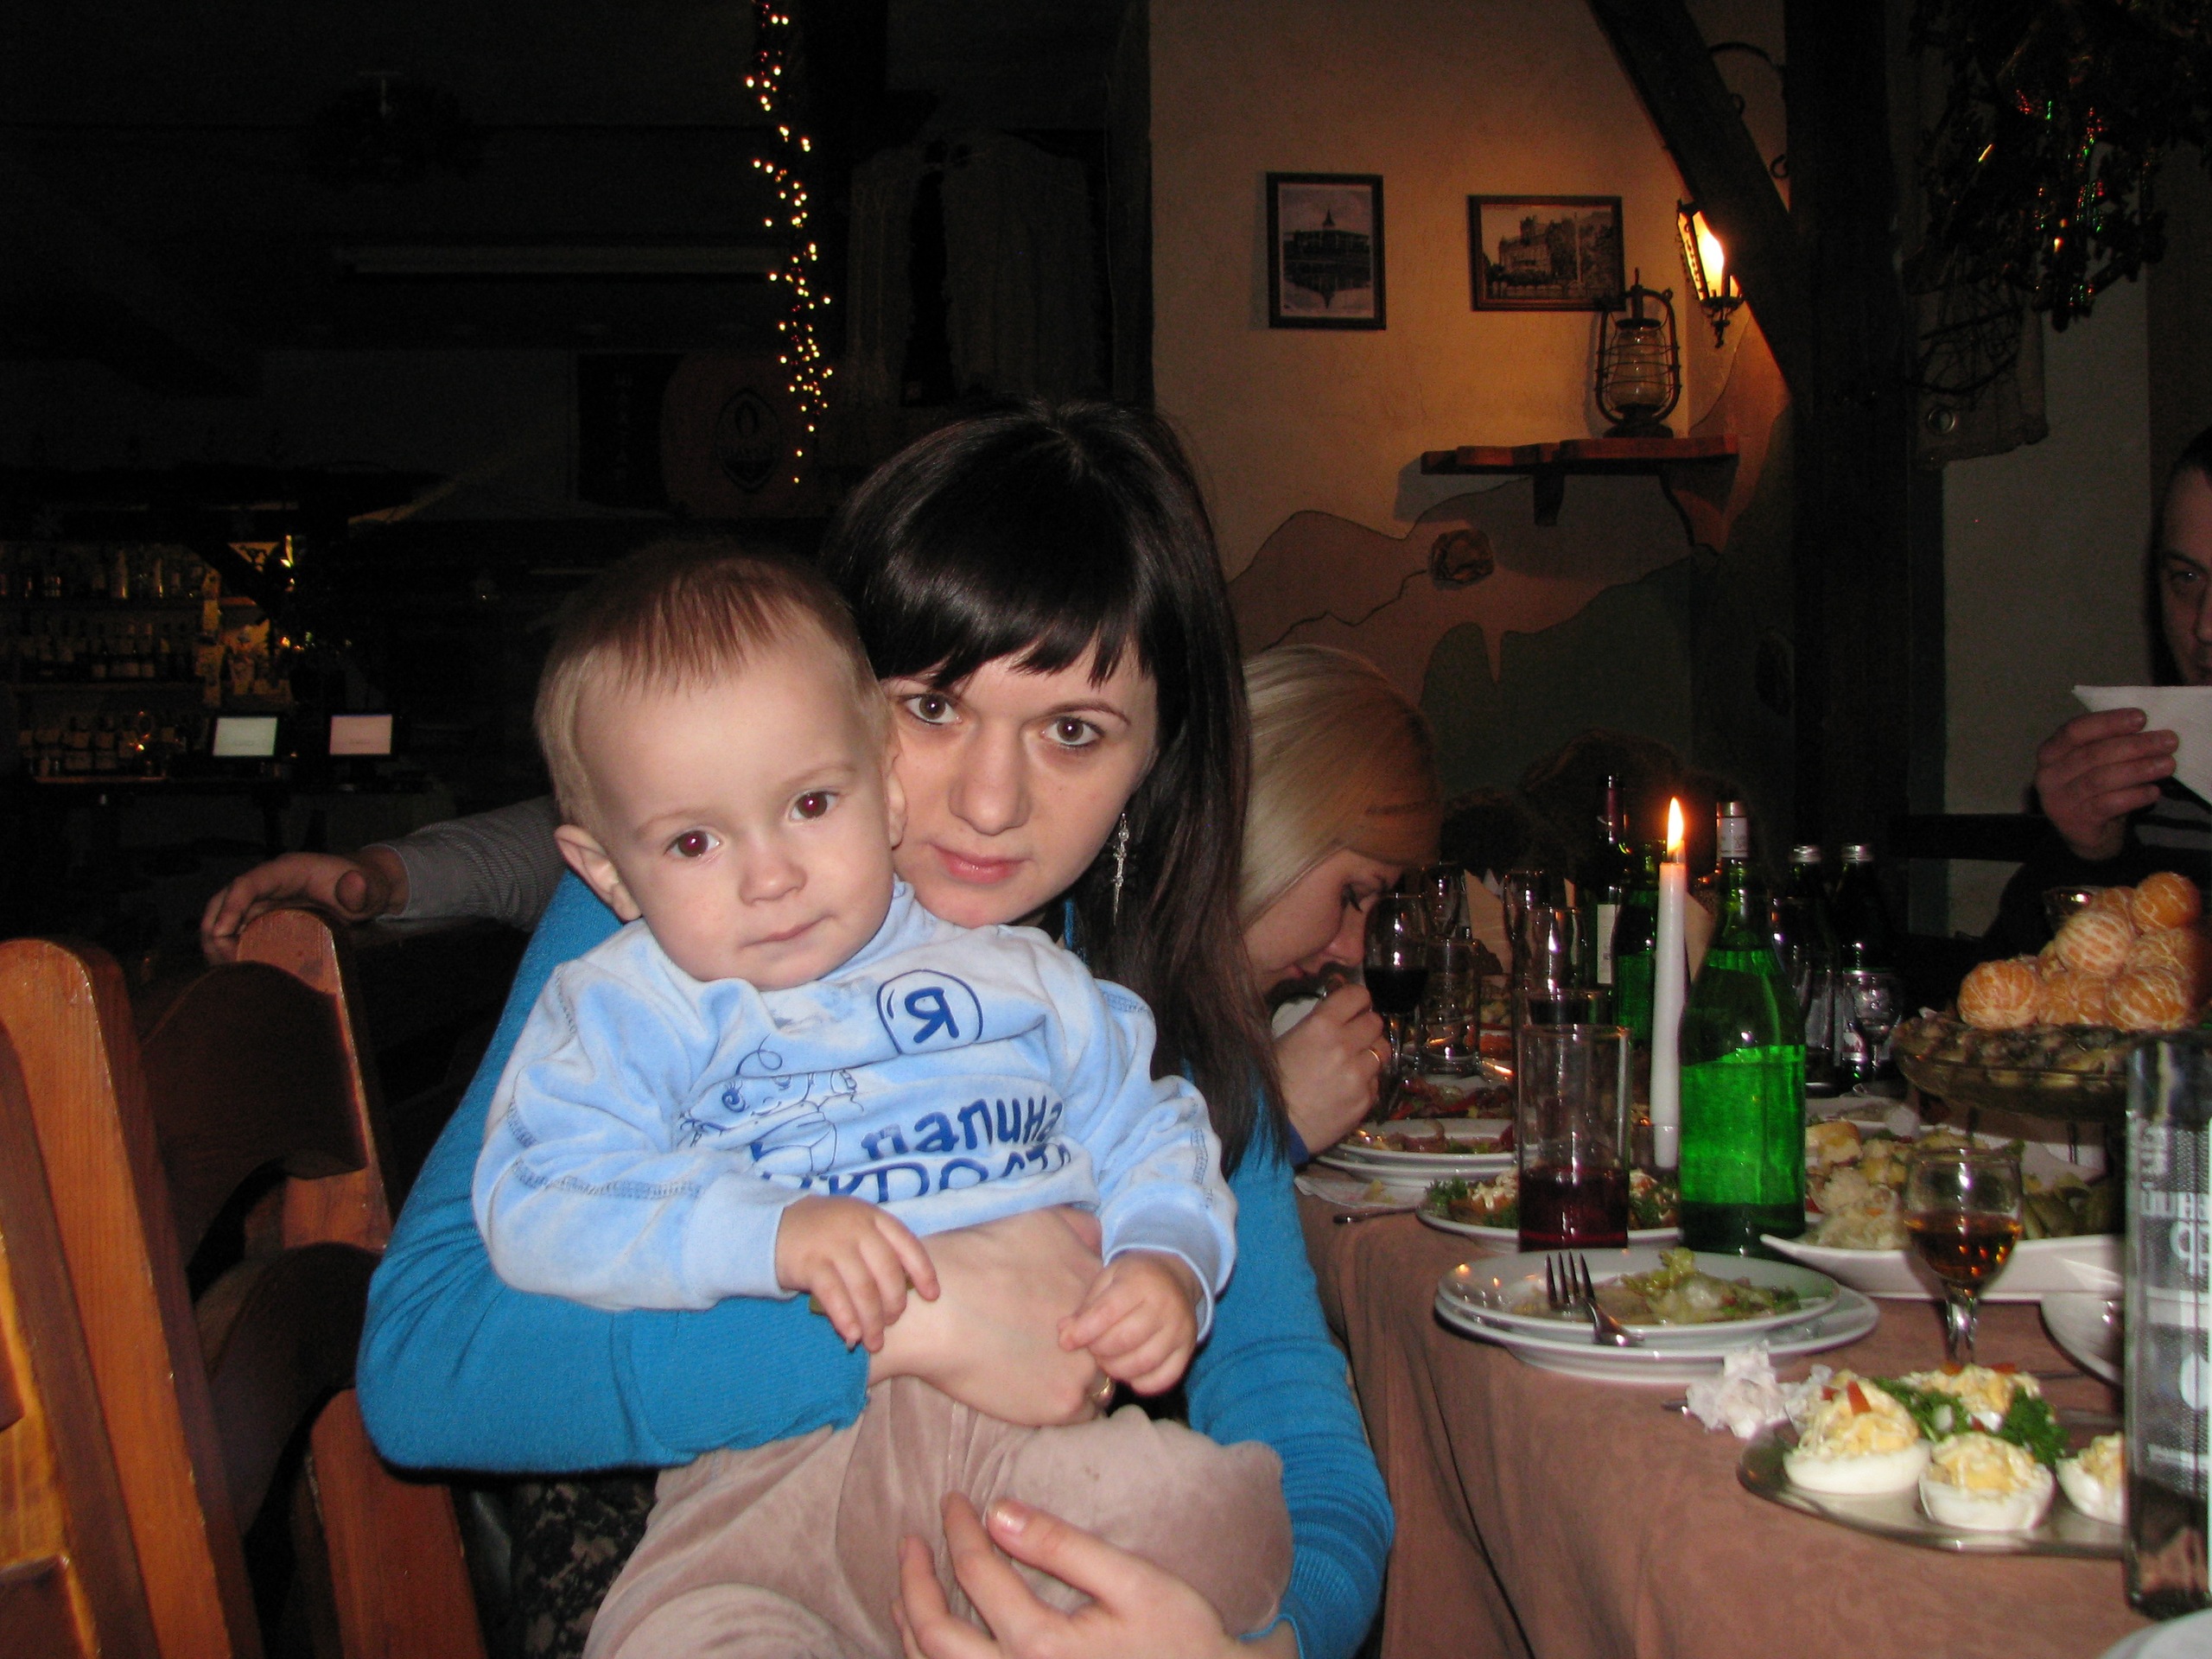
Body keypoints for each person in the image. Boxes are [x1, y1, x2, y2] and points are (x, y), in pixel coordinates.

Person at [204, 401, 1390, 1659]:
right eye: (931, 707)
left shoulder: (1135, 1013)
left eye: (1073, 731)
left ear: (1156, 758)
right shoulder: (693, 921)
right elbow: (427, 1363)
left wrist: (1262, 1652)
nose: (990, 803)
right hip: (710, 1563)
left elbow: (1306, 1445)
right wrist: (910, 1327)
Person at [475, 543, 1285, 1656]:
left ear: (883, 787)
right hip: (761, 1472)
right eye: (695, 842)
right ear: (606, 872)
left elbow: (1153, 1129)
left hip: (1029, 1452)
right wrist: (764, 1232)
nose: (770, 876)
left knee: (1218, 1518)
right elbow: (538, 1192)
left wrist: (1166, 1260)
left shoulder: (1027, 979)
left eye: (811, 804)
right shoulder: (632, 1004)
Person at [1992, 424, 2212, 950]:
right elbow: (2021, 986)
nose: (2206, 625)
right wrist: (2089, 854)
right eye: (2186, 578)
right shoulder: (2154, 784)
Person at [1240, 644, 1440, 1160]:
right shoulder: (1084, 1004)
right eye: (1352, 895)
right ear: (1273, 820)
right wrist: (1276, 1126)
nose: (1352, 950)